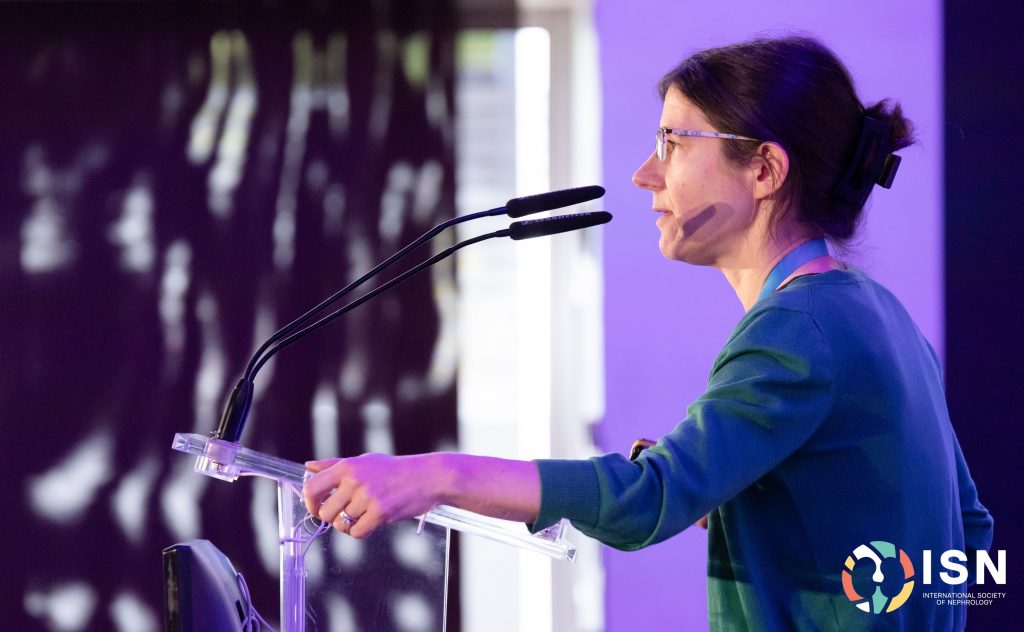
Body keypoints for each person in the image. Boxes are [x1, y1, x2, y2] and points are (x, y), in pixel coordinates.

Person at [303, 35, 993, 630]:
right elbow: (967, 532)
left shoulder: (797, 327)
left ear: (764, 170)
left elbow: (646, 502)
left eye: (673, 142)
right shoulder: (878, 314)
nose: (644, 175)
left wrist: (432, 475)